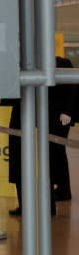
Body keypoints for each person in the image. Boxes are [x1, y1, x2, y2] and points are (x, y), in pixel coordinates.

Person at [50, 56, 77, 201]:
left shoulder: (64, 63)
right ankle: (60, 187)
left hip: (61, 118)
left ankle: (64, 190)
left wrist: (68, 112)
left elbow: (73, 90)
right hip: (50, 117)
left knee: (58, 152)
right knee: (54, 152)